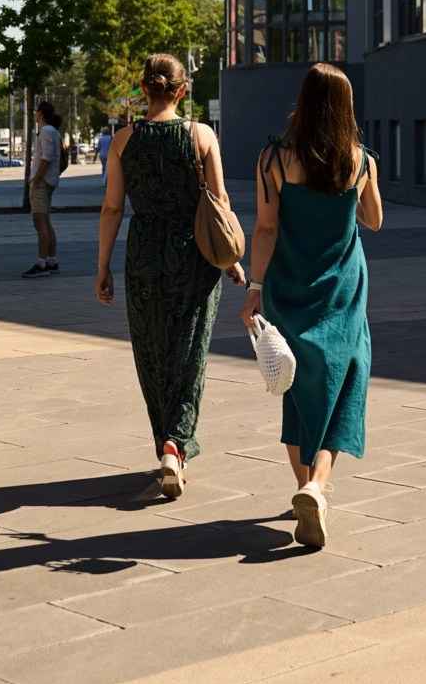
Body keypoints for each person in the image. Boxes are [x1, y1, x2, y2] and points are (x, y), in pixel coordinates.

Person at [244, 62, 380, 549]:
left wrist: (254, 289)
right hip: (343, 290)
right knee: (347, 383)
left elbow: (264, 228)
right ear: (346, 108)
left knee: (297, 386)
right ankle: (316, 486)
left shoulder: (274, 159)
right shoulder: (360, 160)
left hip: (287, 286)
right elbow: (375, 220)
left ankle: (305, 486)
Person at [95, 54, 239, 500]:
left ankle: (166, 445)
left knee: (152, 351)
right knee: (190, 349)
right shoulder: (201, 135)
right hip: (195, 252)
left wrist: (102, 265)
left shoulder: (122, 141)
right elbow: (219, 199)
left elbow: (113, 207)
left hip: (143, 254)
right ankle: (175, 444)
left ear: (143, 90)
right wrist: (231, 256)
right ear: (182, 90)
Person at [23, 100, 64, 277]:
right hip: (49, 181)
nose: (34, 114)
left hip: (42, 182)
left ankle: (41, 263)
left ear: (41, 114)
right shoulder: (53, 132)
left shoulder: (46, 131)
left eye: (36, 111)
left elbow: (47, 157)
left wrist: (37, 179)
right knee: (46, 222)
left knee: (39, 223)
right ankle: (51, 260)